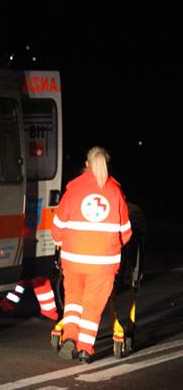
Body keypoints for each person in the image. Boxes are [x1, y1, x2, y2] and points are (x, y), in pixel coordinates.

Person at [51, 146, 132, 363]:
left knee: (74, 301)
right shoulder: (115, 193)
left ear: (86, 164)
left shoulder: (74, 189)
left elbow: (57, 225)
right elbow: (126, 232)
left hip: (74, 259)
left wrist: (60, 243)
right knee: (92, 306)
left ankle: (69, 337)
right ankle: (85, 348)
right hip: (103, 263)